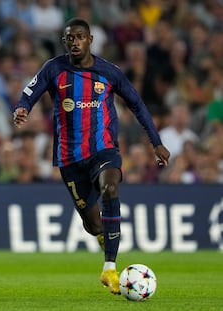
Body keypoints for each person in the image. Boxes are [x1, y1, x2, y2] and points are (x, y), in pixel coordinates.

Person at [13, 18, 170, 295]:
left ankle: (109, 267)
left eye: (80, 37)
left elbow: (137, 105)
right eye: (69, 38)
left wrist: (156, 143)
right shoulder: (54, 68)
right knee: (92, 223)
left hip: (103, 150)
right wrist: (22, 108)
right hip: (69, 158)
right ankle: (102, 238)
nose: (74, 42)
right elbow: (29, 92)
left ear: (90, 40)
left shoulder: (109, 72)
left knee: (110, 188)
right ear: (65, 42)